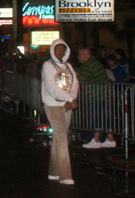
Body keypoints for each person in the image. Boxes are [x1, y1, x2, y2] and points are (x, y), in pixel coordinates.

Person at [41, 39, 79, 185]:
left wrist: (71, 100)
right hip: (53, 105)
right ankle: (65, 175)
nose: (60, 52)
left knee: (58, 138)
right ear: (52, 50)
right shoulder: (47, 66)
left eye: (63, 49)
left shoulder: (68, 66)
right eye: (58, 49)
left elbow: (75, 83)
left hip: (66, 105)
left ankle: (54, 172)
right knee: (63, 138)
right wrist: (68, 100)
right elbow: (51, 87)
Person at [77, 47, 115, 148]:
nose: (78, 57)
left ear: (84, 55)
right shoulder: (90, 63)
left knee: (98, 116)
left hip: (99, 95)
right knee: (105, 117)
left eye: (79, 54)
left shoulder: (89, 65)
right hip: (105, 94)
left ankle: (96, 140)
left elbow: (80, 78)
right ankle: (110, 139)